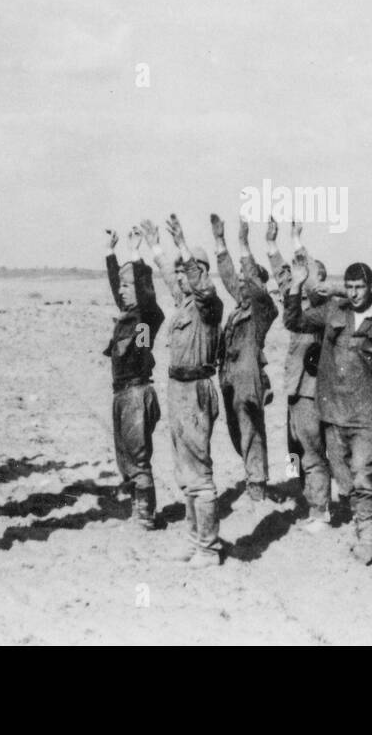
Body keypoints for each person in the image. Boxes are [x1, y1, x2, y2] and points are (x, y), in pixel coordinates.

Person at [284, 256, 372, 564]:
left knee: (363, 476)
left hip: (367, 413)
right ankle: (367, 527)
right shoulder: (334, 311)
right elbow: (295, 321)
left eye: (361, 287)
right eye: (350, 287)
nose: (355, 293)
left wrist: (339, 290)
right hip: (334, 413)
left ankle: (369, 540)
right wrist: (296, 284)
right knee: (348, 478)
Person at [146, 215, 225, 567]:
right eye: (179, 270)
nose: (179, 275)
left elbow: (202, 286)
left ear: (200, 271)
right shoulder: (184, 303)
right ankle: (194, 540)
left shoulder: (209, 305)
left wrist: (183, 246)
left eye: (186, 270)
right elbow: (167, 277)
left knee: (199, 474)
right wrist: (156, 247)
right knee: (184, 472)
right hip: (178, 388)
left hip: (196, 390)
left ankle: (208, 548)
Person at [266, 219, 350, 531]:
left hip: (313, 391)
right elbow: (285, 276)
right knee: (296, 449)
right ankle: (310, 499)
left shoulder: (327, 309)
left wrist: (297, 241)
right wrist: (273, 246)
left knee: (316, 451)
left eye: (317, 280)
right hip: (296, 389)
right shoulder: (301, 308)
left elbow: (307, 278)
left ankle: (320, 512)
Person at [212, 215, 278, 510]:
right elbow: (229, 278)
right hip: (230, 378)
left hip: (248, 379)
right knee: (238, 431)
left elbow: (248, 281)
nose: (240, 285)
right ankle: (255, 479)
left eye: (246, 281)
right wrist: (220, 243)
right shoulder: (240, 310)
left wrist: (242, 244)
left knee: (250, 430)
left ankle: (257, 486)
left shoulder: (263, 310)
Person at [104, 225, 165, 530]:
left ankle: (146, 514)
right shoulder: (130, 315)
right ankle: (137, 508)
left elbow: (143, 291)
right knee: (125, 457)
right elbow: (120, 286)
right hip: (122, 395)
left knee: (138, 458)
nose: (122, 289)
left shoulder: (145, 317)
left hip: (137, 394)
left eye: (128, 286)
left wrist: (135, 254)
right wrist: (110, 253)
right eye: (121, 286)